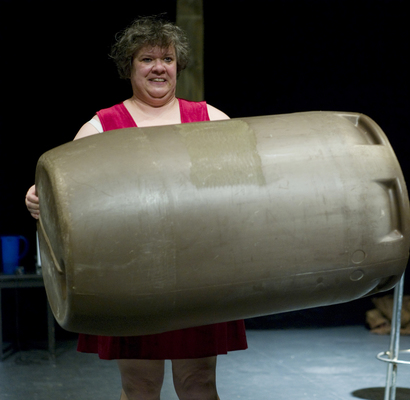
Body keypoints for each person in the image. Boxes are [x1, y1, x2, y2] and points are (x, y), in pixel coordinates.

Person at [25, 15, 247, 400]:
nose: (159, 67)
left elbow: (249, 182)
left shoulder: (210, 119)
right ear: (129, 66)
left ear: (178, 66)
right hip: (133, 276)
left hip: (198, 272)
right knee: (139, 386)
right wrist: (37, 196)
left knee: (198, 383)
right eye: (147, 59)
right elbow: (63, 187)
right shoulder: (102, 127)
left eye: (167, 59)